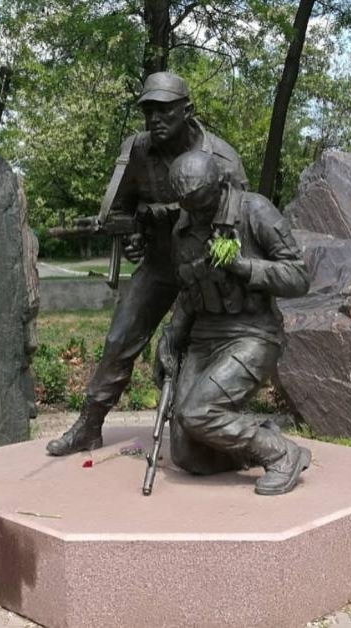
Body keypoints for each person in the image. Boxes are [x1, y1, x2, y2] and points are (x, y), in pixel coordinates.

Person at [46, 72, 247, 456]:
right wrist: (135, 235)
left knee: (203, 353)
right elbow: (119, 210)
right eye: (148, 110)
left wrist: (171, 217)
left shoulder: (222, 159)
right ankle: (89, 424)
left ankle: (213, 429)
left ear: (187, 111)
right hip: (158, 265)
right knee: (120, 338)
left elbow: (241, 222)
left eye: (164, 110)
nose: (154, 119)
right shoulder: (137, 150)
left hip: (206, 272)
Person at [154, 150, 312, 495]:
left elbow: (299, 277)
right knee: (187, 454)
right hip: (202, 337)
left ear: (220, 187)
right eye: (187, 207)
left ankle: (282, 454)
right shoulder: (183, 228)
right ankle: (258, 438)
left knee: (197, 412)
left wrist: (245, 267)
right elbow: (187, 290)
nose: (194, 215)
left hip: (252, 334)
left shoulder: (254, 210)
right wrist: (171, 335)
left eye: (201, 204)